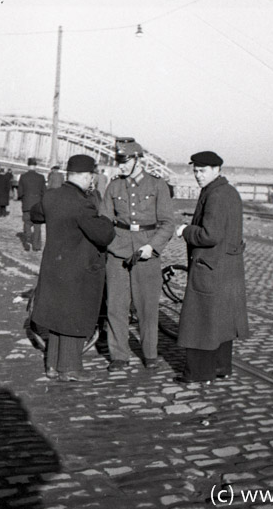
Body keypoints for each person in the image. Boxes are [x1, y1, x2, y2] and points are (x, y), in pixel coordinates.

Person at [29, 154, 116, 381]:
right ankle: (70, 369)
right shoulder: (82, 203)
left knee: (56, 317)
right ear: (87, 176)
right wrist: (107, 219)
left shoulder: (51, 196)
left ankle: (52, 366)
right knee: (74, 317)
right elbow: (104, 235)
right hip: (78, 270)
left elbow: (36, 214)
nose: (92, 182)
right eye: (91, 178)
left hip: (54, 266)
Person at [173, 151, 249, 384]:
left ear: (217, 170)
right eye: (195, 171)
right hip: (228, 268)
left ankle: (198, 374)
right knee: (222, 321)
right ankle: (220, 368)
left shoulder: (214, 195)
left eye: (202, 171)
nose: (197, 175)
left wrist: (185, 231)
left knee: (200, 321)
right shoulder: (230, 192)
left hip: (209, 266)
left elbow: (209, 235)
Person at [99, 139, 174, 371]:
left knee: (147, 306)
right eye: (118, 161)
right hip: (118, 251)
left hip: (147, 250)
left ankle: (150, 353)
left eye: (124, 161)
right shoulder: (114, 186)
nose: (120, 166)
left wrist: (152, 246)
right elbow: (104, 219)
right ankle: (119, 355)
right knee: (116, 306)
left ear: (137, 160)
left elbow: (168, 222)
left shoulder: (157, 185)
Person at [18, 158, 46, 251]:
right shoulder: (41, 177)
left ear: (28, 165)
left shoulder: (23, 177)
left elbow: (20, 192)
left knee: (27, 223)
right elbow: (44, 192)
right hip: (37, 205)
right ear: (35, 166)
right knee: (37, 225)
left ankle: (28, 239)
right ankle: (36, 246)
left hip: (26, 205)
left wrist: (23, 199)